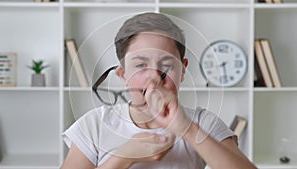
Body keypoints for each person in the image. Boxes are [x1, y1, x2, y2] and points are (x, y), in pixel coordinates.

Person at [61, 12, 257, 169]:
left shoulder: (202, 123)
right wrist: (123, 158)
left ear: (182, 71)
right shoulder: (94, 125)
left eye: (166, 65)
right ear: (122, 74)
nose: (154, 77)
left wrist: (187, 129)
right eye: (140, 65)